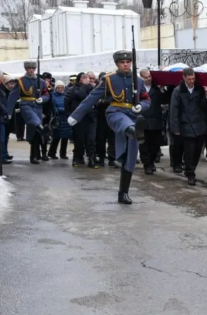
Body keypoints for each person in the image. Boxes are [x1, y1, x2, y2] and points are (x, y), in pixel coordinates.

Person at [68, 51, 150, 204]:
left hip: (132, 114)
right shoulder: (109, 80)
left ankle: (123, 193)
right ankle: (134, 130)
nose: (126, 64)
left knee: (130, 158)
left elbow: (146, 99)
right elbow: (91, 97)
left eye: (128, 61)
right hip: (115, 112)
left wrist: (141, 106)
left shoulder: (138, 81)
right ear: (117, 64)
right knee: (127, 125)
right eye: (122, 62)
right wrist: (76, 115)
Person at [170, 68, 207, 186]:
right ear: (184, 77)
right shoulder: (178, 91)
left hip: (199, 125)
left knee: (197, 151)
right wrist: (175, 128)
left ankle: (191, 168)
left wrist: (206, 94)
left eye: (193, 78)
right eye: (189, 79)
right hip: (186, 125)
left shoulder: (199, 90)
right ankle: (190, 174)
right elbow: (174, 110)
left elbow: (206, 107)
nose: (191, 81)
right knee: (189, 151)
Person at [6, 60, 49, 164]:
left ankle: (34, 155)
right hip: (26, 105)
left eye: (33, 68)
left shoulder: (41, 81)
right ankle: (42, 128)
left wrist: (42, 99)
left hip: (37, 107)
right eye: (29, 68)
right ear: (26, 69)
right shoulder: (20, 81)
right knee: (34, 122)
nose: (31, 70)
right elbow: (13, 97)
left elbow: (47, 94)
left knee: (34, 133)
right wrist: (8, 112)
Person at [66, 72, 97, 168]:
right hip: (78, 118)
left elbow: (97, 101)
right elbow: (68, 104)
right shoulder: (73, 90)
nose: (88, 80)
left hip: (91, 117)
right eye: (85, 78)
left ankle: (92, 159)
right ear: (80, 79)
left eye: (89, 78)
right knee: (79, 139)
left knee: (91, 139)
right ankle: (77, 158)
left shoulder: (93, 89)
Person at [138, 68, 166, 175]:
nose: (149, 79)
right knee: (144, 145)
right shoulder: (138, 89)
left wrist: (162, 89)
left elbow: (164, 100)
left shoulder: (156, 89)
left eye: (149, 76)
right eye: (146, 77)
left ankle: (151, 161)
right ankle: (147, 164)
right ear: (141, 78)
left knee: (155, 145)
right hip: (143, 120)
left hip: (155, 120)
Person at [47, 81, 71, 159]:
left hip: (65, 119)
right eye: (59, 87)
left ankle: (63, 154)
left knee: (65, 138)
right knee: (56, 137)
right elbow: (54, 108)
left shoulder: (66, 95)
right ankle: (52, 153)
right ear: (56, 88)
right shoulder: (53, 96)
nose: (60, 89)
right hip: (58, 119)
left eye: (62, 87)